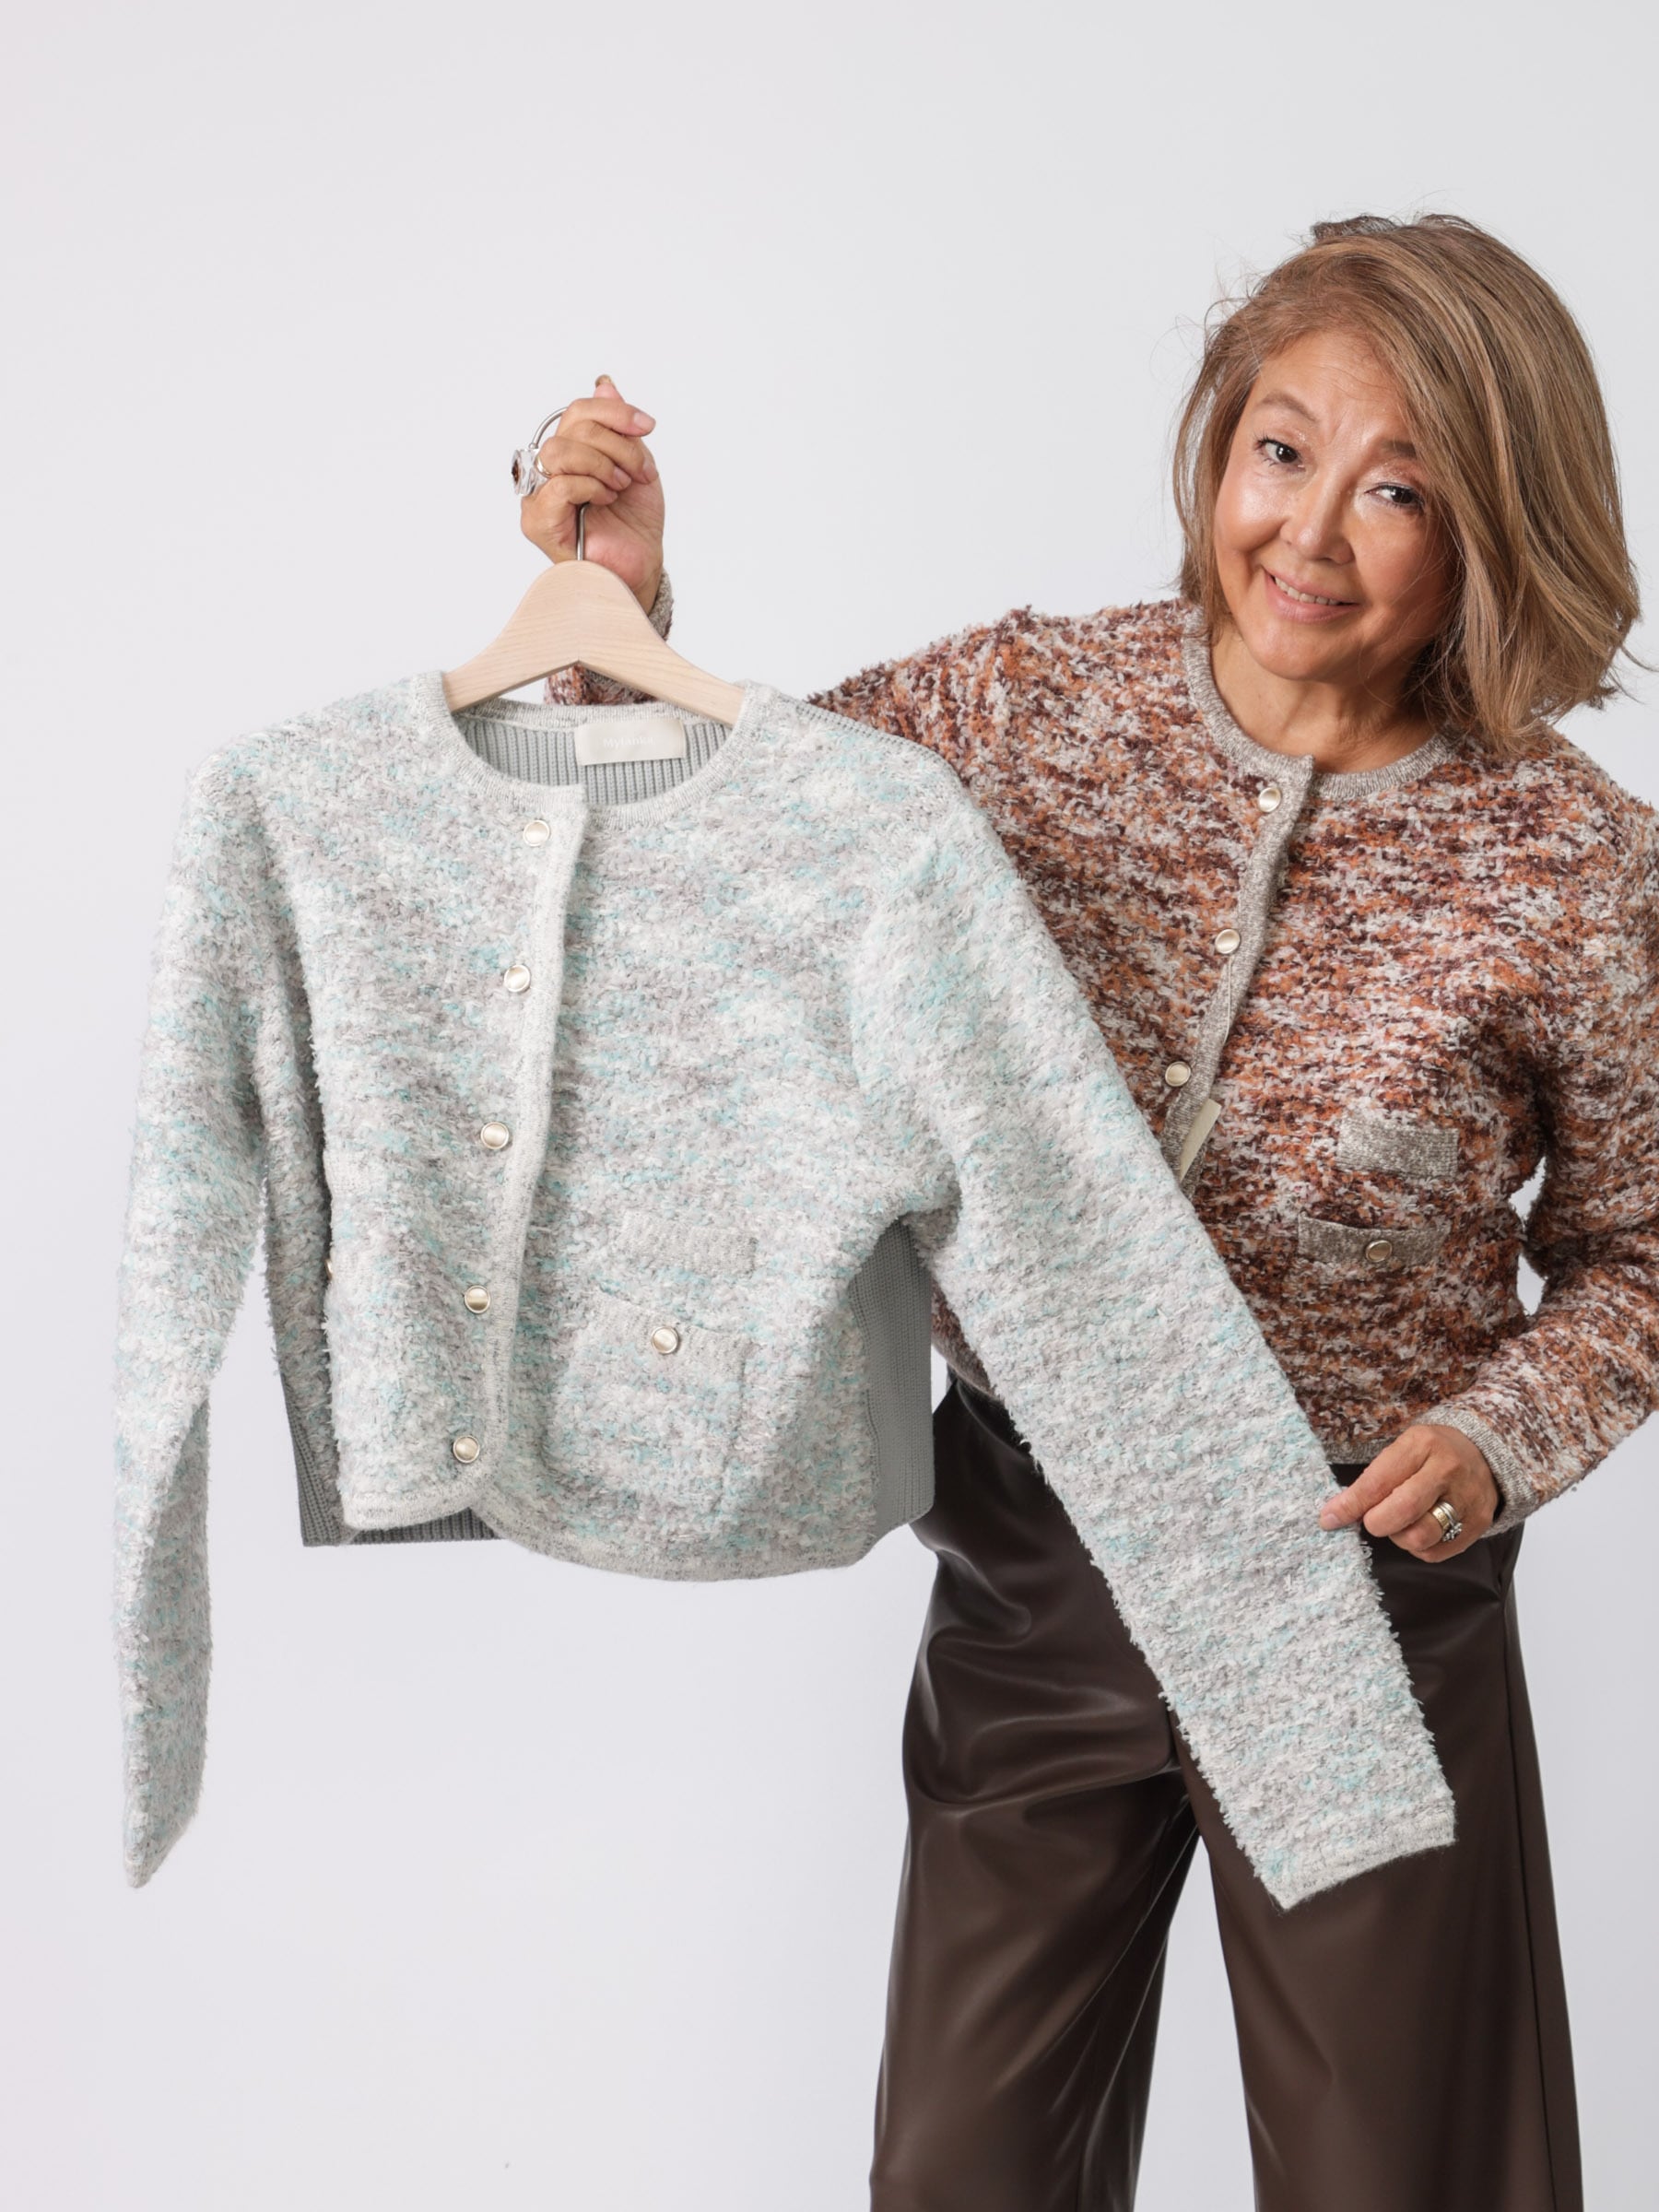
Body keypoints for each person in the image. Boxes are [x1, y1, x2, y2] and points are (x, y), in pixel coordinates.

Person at [517, 215, 1657, 2212]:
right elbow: (725, 840)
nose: (1309, 530)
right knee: (963, 2172)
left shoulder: (1574, 865)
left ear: (1494, 523)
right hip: (1037, 1557)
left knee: (1406, 2177)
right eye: (1280, 450)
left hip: (1356, 1591)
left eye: (1397, 488)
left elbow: (1643, 1250)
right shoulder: (1029, 708)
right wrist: (619, 603)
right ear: (1220, 443)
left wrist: (1500, 1437)